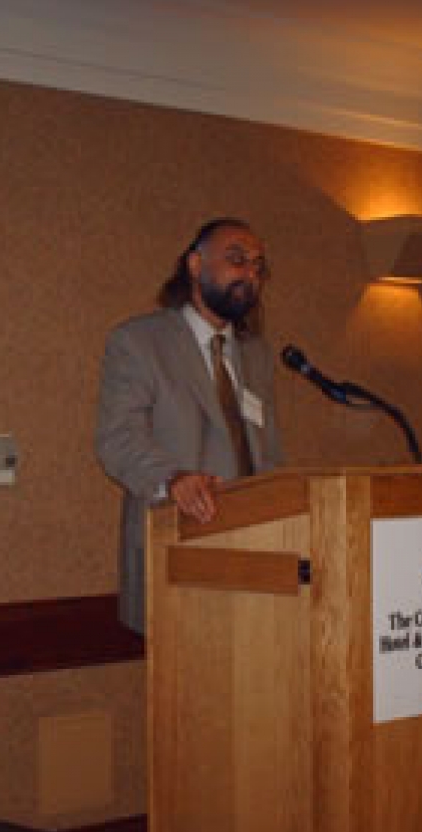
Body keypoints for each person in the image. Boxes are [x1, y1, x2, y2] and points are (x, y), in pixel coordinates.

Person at [95, 218, 284, 634]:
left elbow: (266, 453)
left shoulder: (256, 354)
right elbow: (117, 438)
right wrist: (172, 478)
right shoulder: (140, 342)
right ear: (195, 265)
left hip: (258, 555)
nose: (249, 275)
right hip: (178, 549)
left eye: (258, 266)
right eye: (236, 259)